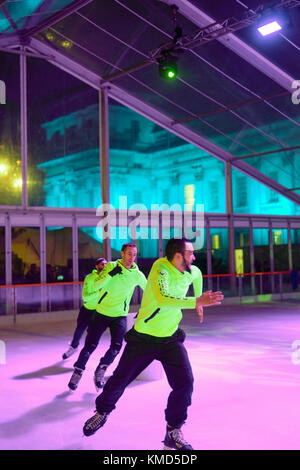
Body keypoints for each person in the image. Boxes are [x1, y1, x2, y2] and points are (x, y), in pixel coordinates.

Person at [82, 237, 224, 450]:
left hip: (170, 338)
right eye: (190, 253)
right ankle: (102, 412)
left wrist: (198, 299)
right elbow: (163, 299)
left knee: (185, 383)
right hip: (144, 338)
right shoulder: (161, 268)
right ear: (178, 256)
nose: (194, 257)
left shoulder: (192, 270)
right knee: (120, 379)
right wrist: (195, 301)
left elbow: (197, 276)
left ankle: (173, 430)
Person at [68, 243, 147, 392]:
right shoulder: (110, 266)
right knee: (90, 346)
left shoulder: (137, 274)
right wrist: (111, 274)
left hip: (119, 316)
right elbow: (97, 285)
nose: (132, 258)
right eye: (129, 254)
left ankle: (101, 369)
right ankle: (78, 371)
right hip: (101, 313)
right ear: (122, 254)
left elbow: (149, 291)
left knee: (116, 348)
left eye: (134, 254)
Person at [62, 258, 107, 360]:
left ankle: (86, 353)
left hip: (98, 311)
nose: (104, 266)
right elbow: (86, 297)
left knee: (92, 333)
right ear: (96, 266)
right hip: (86, 309)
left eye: (105, 264)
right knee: (79, 329)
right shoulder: (90, 278)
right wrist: (99, 292)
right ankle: (73, 347)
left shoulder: (107, 278)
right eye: (102, 264)